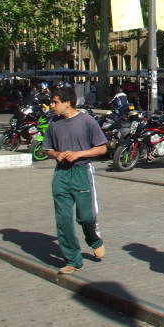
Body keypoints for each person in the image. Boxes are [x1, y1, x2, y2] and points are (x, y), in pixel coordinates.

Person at [42, 86, 108, 274]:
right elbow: (46, 148)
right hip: (61, 174)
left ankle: (94, 240)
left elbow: (102, 148)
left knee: (86, 217)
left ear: (67, 102)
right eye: (51, 102)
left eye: (55, 102)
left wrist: (79, 154)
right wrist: (56, 154)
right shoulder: (53, 123)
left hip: (81, 172)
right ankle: (73, 259)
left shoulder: (87, 121)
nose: (52, 106)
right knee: (63, 219)